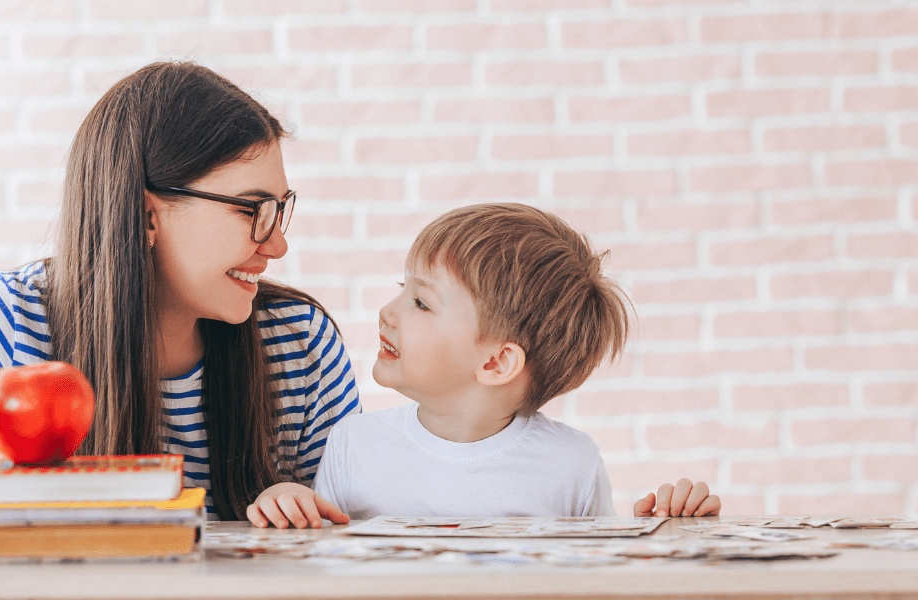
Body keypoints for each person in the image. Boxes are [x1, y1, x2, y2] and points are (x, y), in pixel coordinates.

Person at [0, 61, 360, 578]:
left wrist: (304, 506)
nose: (278, 243)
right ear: (145, 215)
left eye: (280, 210)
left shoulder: (300, 344)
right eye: (251, 210)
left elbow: (370, 550)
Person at [260, 203, 720, 525]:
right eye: (402, 288)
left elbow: (600, 578)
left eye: (420, 302)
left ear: (498, 362)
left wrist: (661, 531)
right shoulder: (352, 445)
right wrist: (286, 504)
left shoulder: (571, 464)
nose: (388, 311)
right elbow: (318, 568)